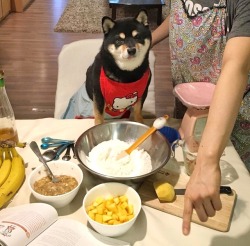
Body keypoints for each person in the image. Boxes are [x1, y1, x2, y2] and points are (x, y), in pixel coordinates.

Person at [151, 0, 250, 236]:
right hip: (189, 101)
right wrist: (150, 39)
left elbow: (237, 66)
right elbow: (181, 10)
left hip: (228, 123)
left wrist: (207, 161)